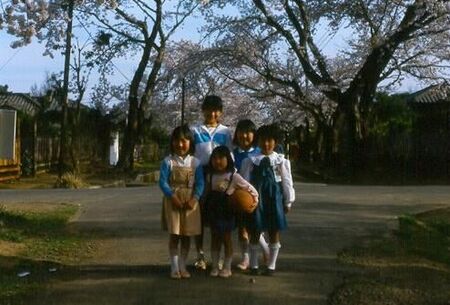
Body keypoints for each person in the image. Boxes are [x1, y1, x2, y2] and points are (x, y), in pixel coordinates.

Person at [241, 124, 295, 276]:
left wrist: (288, 201)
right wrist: (245, 199)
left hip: (274, 198)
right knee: (255, 230)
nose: (266, 144)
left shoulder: (281, 161)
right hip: (256, 198)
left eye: (270, 140)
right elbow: (244, 181)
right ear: (258, 141)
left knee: (273, 230)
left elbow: (287, 181)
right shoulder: (250, 160)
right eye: (263, 140)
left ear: (276, 142)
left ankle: (271, 265)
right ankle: (254, 264)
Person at [190, 95, 233, 270]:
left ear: (221, 112)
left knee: (219, 219)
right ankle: (200, 255)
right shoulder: (195, 131)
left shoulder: (225, 132)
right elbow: (190, 155)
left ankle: (219, 257)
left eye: (216, 110)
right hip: (200, 176)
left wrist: (230, 178)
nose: (212, 113)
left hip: (220, 177)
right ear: (203, 110)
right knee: (198, 217)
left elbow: (230, 156)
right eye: (208, 109)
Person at [204, 146, 258, 278]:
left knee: (226, 239)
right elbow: (206, 193)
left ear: (228, 159)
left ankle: (227, 267)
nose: (218, 161)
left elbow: (250, 188)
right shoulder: (210, 176)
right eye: (215, 158)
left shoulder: (234, 176)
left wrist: (254, 201)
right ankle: (215, 265)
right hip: (213, 210)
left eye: (221, 158)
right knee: (215, 238)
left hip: (226, 211)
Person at [159, 125, 205, 279]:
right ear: (172, 142)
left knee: (187, 235)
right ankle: (174, 267)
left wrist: (195, 198)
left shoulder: (195, 162)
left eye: (184, 141)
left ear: (190, 143)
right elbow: (163, 182)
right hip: (173, 201)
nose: (180, 144)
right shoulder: (168, 161)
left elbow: (200, 183)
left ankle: (183, 265)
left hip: (190, 202)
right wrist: (172, 196)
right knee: (175, 235)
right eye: (177, 141)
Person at [232, 119, 269, 271]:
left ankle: (266, 250)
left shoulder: (259, 153)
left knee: (256, 227)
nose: (244, 136)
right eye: (241, 132)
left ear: (254, 135)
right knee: (242, 228)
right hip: (239, 196)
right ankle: (245, 258)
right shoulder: (233, 154)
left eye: (248, 132)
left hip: (257, 195)